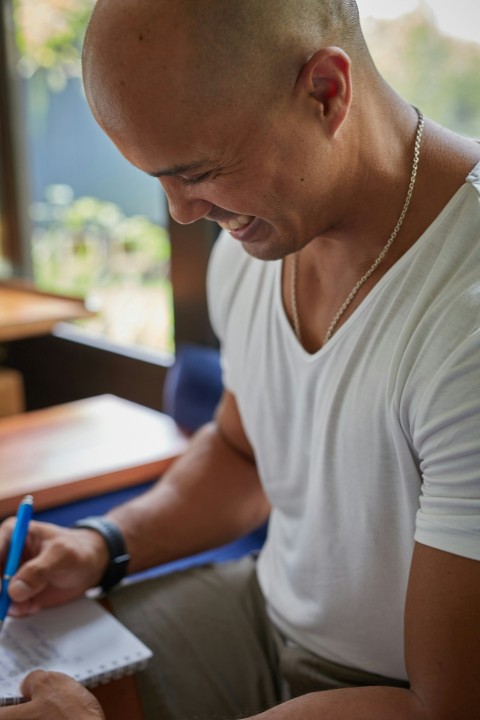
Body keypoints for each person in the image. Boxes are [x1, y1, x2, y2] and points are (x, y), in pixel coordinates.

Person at [1, 0, 480, 718]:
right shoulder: (257, 244)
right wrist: (102, 545)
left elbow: (445, 706)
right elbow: (239, 451)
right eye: (156, 177)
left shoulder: (463, 315)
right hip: (262, 610)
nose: (180, 213)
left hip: (399, 691)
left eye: (198, 171)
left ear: (326, 91)